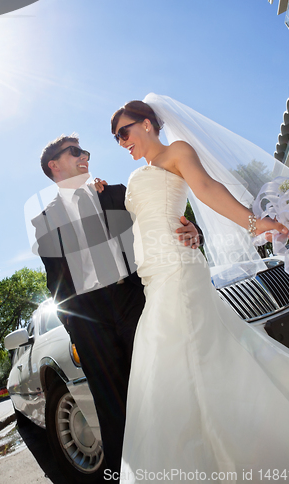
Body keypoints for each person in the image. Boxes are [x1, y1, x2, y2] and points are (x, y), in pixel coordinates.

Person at [110, 97, 289, 483]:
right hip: (155, 277)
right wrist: (192, 229)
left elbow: (206, 188)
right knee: (184, 363)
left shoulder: (177, 152)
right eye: (116, 138)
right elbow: (160, 217)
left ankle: (226, 462)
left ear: (148, 123)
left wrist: (256, 223)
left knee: (188, 360)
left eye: (125, 132)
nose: (122, 142)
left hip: (179, 273)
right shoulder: (142, 174)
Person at [31, 134, 202, 475]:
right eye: (76, 152)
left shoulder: (115, 194)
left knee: (160, 384)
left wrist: (192, 230)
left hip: (132, 298)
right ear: (54, 165)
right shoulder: (44, 222)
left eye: (86, 152)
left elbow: (160, 223)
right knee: (114, 407)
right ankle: (129, 475)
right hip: (89, 317)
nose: (86, 157)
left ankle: (188, 465)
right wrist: (77, 331)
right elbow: (57, 284)